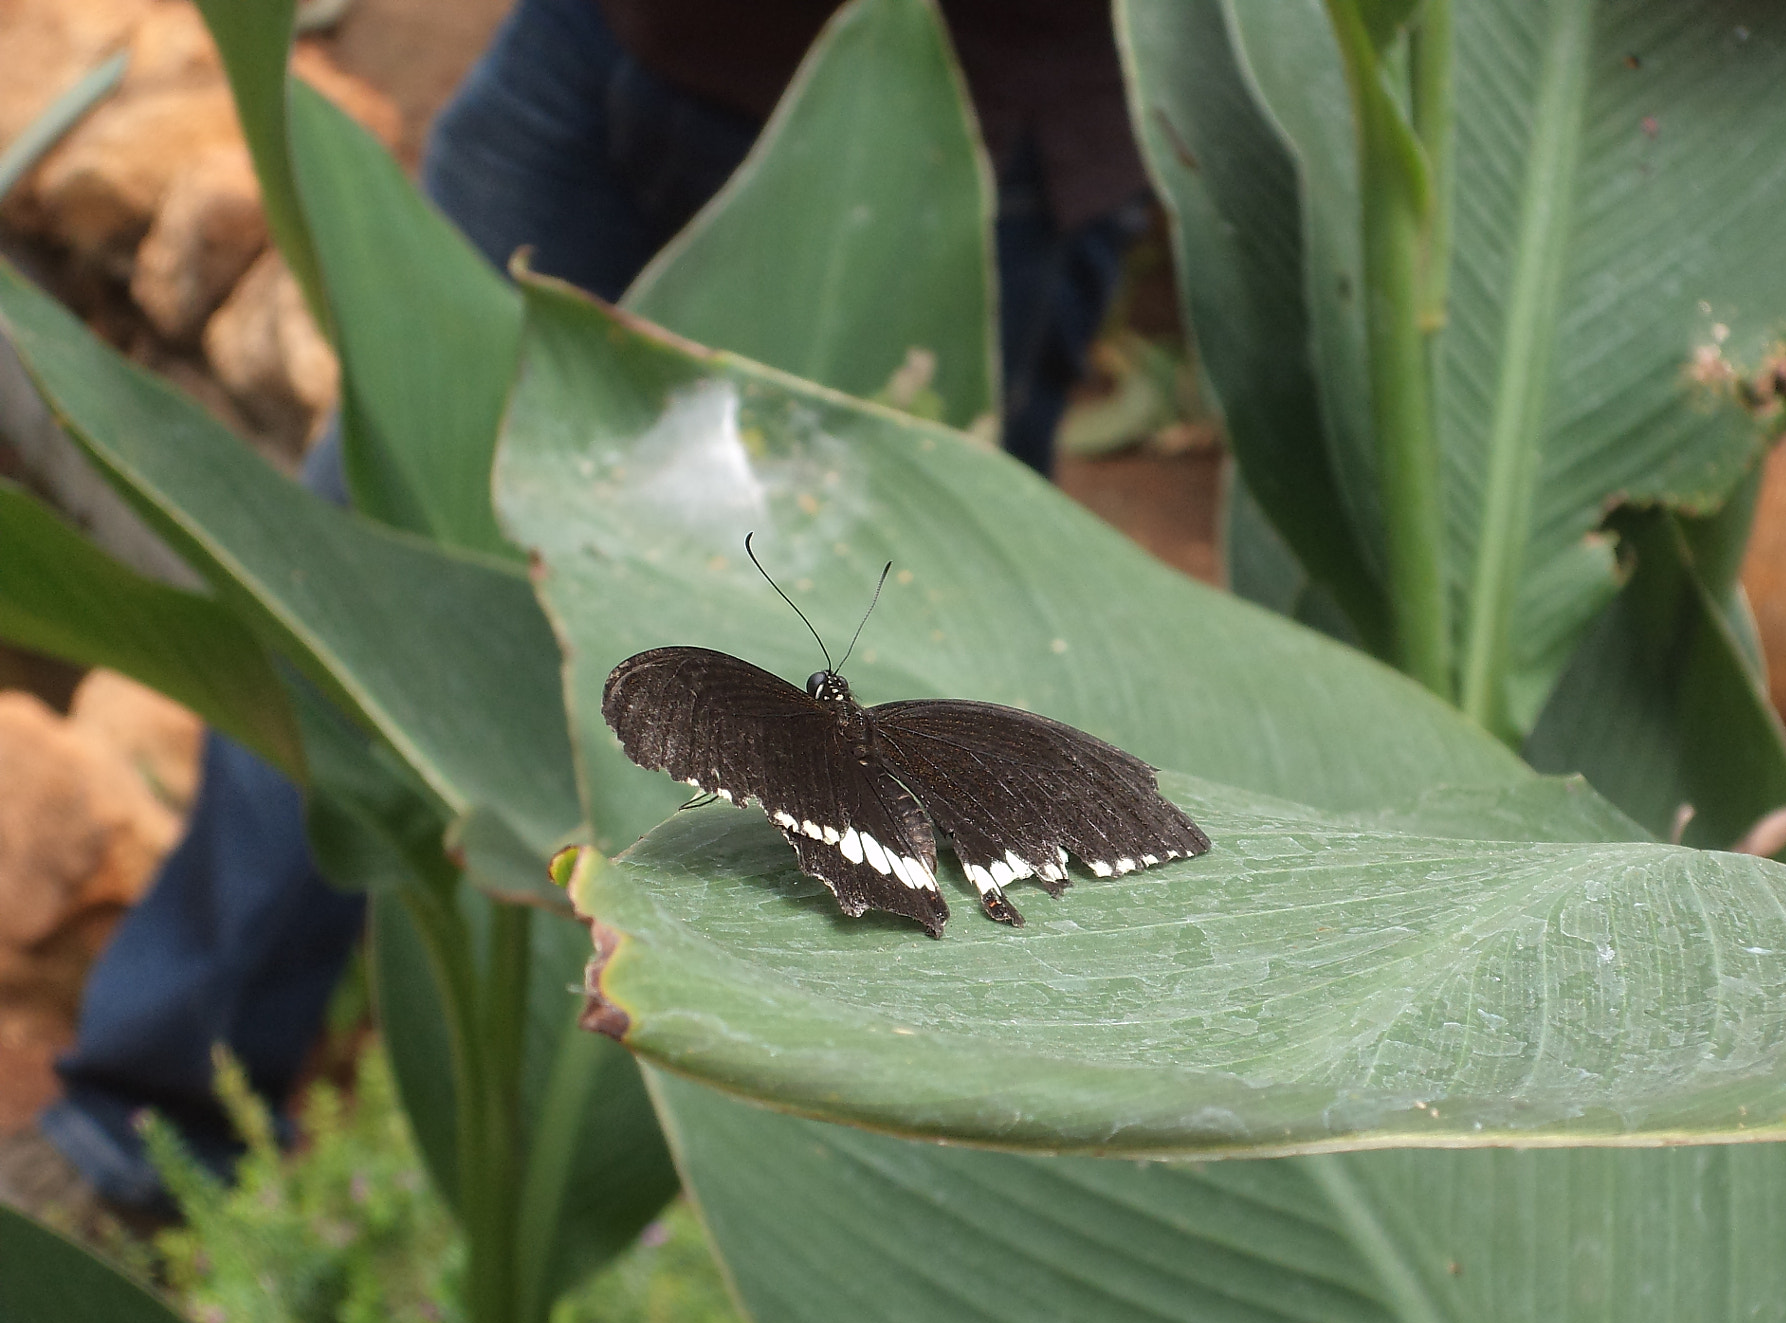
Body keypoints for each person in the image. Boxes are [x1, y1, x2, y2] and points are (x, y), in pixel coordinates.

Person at [43, 0, 1150, 1208]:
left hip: (959, 139)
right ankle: (136, 1137)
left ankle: (777, 1231)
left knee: (857, 735)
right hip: (606, 45)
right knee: (346, 601)